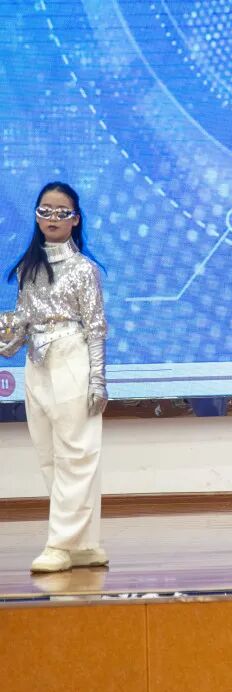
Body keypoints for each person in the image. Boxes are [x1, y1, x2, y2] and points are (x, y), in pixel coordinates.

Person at [0, 182, 109, 573]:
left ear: (75, 219)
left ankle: (60, 544)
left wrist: (98, 379)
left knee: (77, 454)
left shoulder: (84, 270)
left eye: (62, 212)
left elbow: (96, 327)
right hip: (37, 362)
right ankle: (84, 543)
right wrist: (7, 336)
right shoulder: (28, 268)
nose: (52, 218)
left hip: (71, 358)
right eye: (45, 210)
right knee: (49, 456)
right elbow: (20, 326)